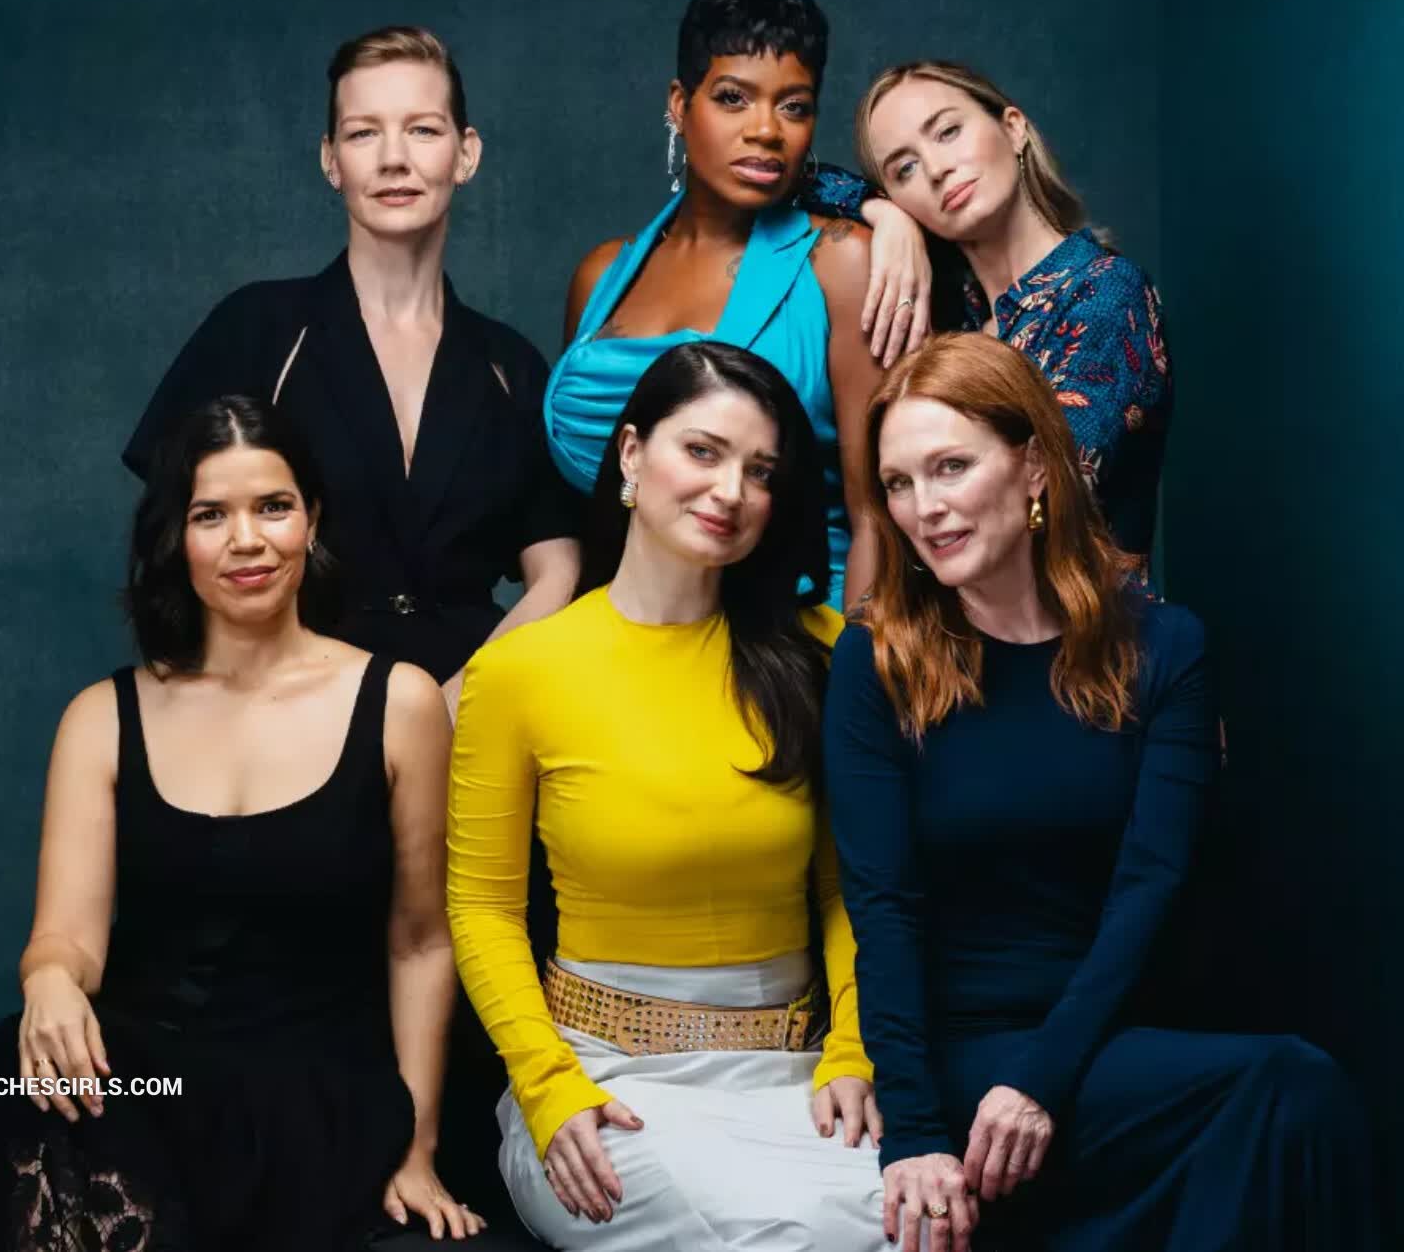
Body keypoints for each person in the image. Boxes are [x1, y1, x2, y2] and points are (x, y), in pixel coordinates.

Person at [823, 334, 1380, 1252]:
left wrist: (1043, 1080)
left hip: (1108, 1039)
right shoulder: (875, 661)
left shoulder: (1164, 647)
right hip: (965, 1052)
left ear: (1034, 466)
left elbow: (1150, 886)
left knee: (1292, 1091)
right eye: (899, 483)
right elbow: (882, 907)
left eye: (951, 467)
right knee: (1281, 1092)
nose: (925, 507)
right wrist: (915, 1134)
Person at [0, 397, 482, 1249]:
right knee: (16, 1072)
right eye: (210, 515)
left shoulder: (399, 703)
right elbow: (67, 938)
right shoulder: (101, 717)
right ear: (173, 537)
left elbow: (421, 942)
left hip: (314, 1089)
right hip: (145, 1076)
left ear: (311, 521)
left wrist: (416, 1149)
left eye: (274, 506)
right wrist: (47, 980)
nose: (247, 540)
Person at [447, 342, 889, 1250]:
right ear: (631, 453)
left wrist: (852, 1052)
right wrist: (547, 1086)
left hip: (801, 1080)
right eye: (703, 451)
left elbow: (850, 888)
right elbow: (483, 909)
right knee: (778, 1235)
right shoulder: (522, 671)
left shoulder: (821, 650)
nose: (731, 490)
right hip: (602, 1088)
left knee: (909, 1221)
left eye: (760, 471)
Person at [124, 26, 579, 717]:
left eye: (423, 130)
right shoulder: (257, 329)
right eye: (364, 133)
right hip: (282, 712)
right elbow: (178, 536)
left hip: (473, 717)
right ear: (331, 160)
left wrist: (453, 706)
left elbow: (558, 571)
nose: (394, 159)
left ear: (466, 153)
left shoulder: (509, 364)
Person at [546, 0, 930, 612]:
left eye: (794, 107)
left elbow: (879, 517)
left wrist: (857, 665)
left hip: (796, 639)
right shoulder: (601, 275)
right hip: (619, 636)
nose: (766, 130)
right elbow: (582, 524)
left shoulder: (844, 264)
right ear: (680, 104)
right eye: (733, 98)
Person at [855, 62, 1172, 580]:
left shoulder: (1106, 293)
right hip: (963, 620)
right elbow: (792, 176)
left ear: (1013, 128)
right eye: (904, 169)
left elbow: (1041, 499)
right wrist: (883, 216)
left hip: (1082, 624)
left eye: (948, 131)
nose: (935, 169)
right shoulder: (957, 314)